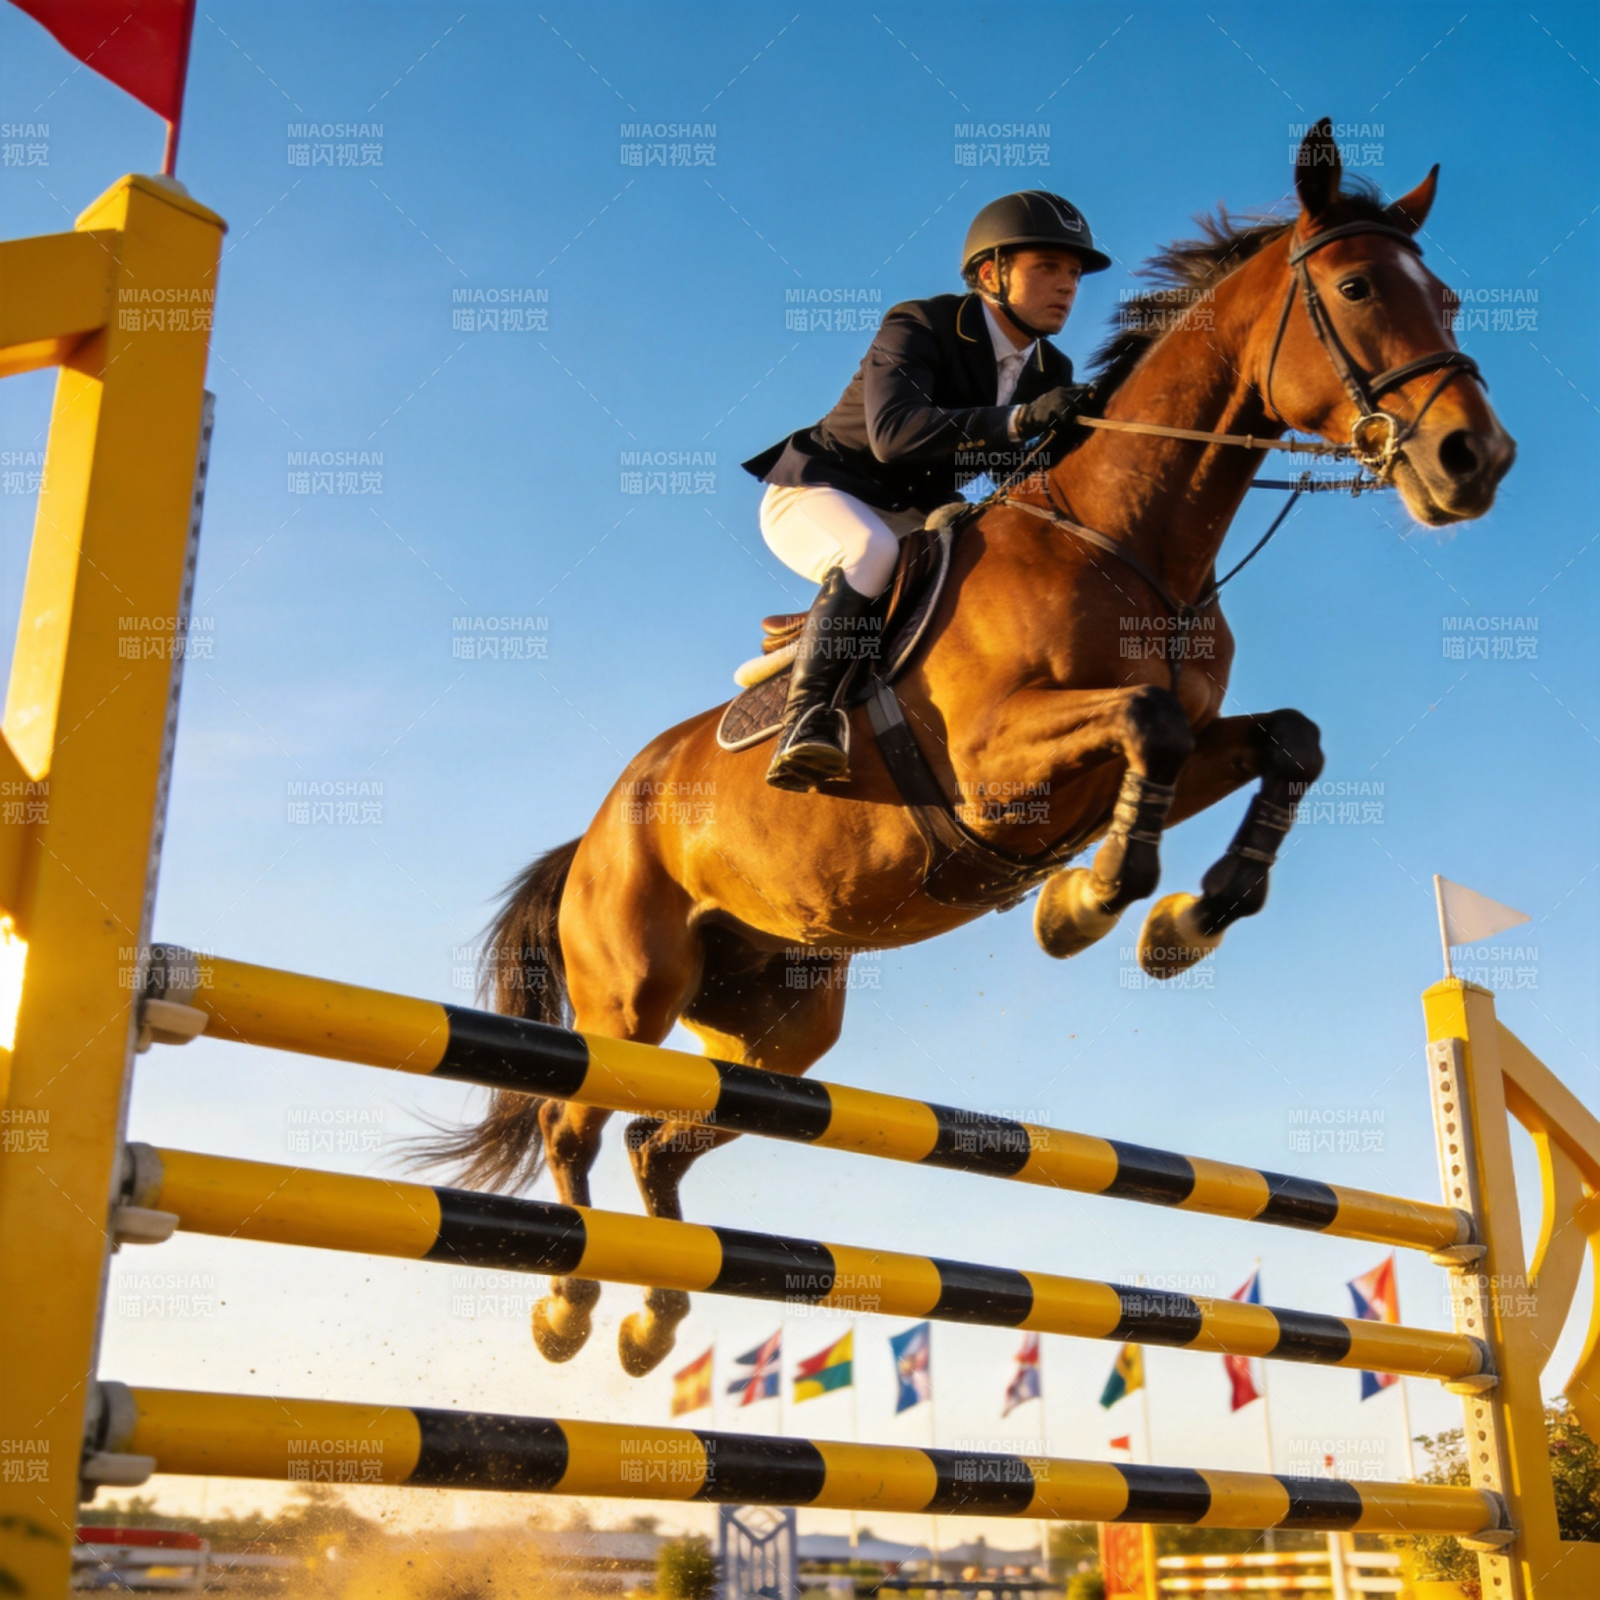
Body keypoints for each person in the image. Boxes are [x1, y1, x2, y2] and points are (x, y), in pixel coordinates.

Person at [743, 190, 1112, 791]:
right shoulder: (921, 322)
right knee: (870, 553)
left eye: (1074, 272)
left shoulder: (1052, 372)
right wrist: (1019, 422)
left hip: (916, 513)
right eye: (1048, 266)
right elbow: (894, 435)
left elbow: (1019, 476)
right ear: (991, 273)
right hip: (821, 490)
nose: (1068, 285)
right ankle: (805, 720)